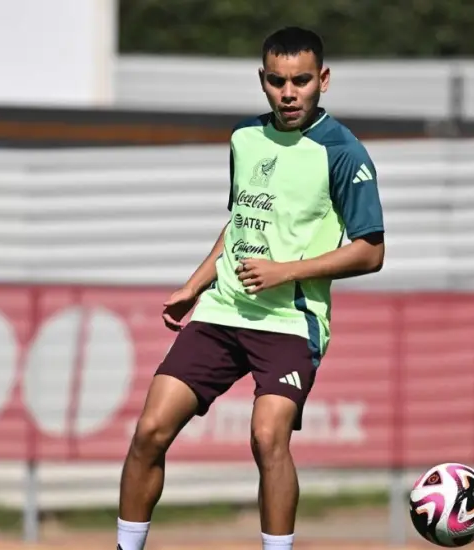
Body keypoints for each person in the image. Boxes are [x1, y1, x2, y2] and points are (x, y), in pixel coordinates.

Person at [115, 26, 385, 550]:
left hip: (290, 321)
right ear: (263, 80)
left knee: (267, 437)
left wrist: (285, 271)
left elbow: (371, 251)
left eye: (301, 81)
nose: (289, 93)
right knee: (150, 431)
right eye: (277, 81)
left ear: (323, 80)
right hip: (223, 311)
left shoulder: (344, 151)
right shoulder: (245, 138)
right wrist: (195, 285)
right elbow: (239, 222)